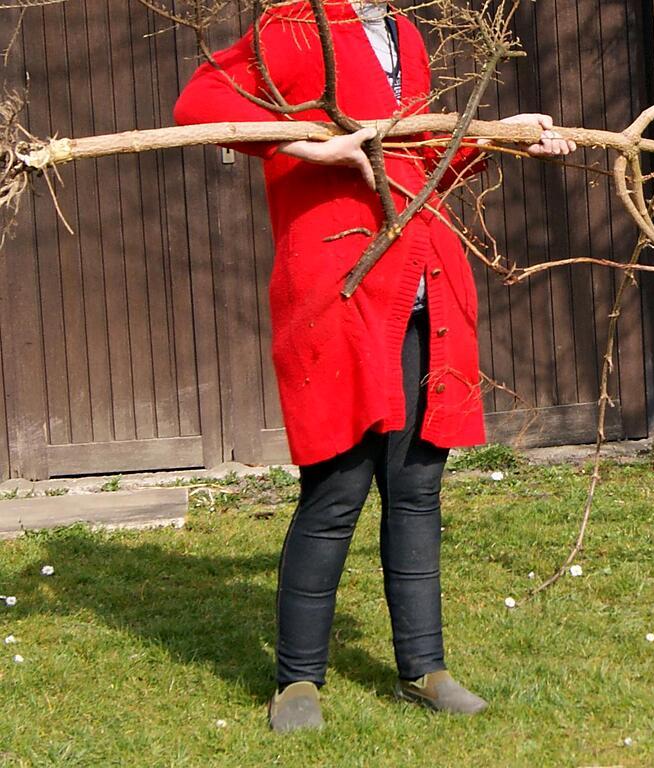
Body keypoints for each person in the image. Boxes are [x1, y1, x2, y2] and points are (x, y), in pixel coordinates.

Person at [174, 0, 574, 733]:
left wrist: (504, 140)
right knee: (336, 489)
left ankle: (425, 668)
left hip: (425, 281)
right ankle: (297, 681)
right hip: (342, 286)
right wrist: (310, 148)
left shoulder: (405, 35)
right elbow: (202, 102)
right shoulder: (297, 24)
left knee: (417, 486)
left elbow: (419, 159)